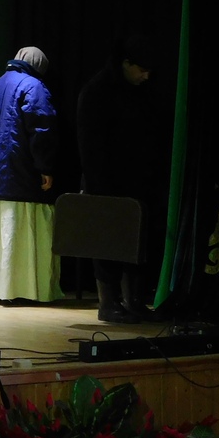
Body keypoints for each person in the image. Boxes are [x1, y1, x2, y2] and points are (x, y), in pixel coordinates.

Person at [77, 34, 163, 322]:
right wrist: (99, 187)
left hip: (138, 183)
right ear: (125, 63)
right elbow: (90, 146)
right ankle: (109, 302)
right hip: (107, 184)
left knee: (137, 243)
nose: (146, 76)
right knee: (108, 244)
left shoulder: (138, 92)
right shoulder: (97, 92)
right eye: (142, 69)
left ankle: (133, 300)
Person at [0, 46, 62, 303]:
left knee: (2, 234)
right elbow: (42, 129)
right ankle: (28, 289)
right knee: (27, 232)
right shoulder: (34, 87)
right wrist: (45, 167)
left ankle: (1, 289)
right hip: (22, 175)